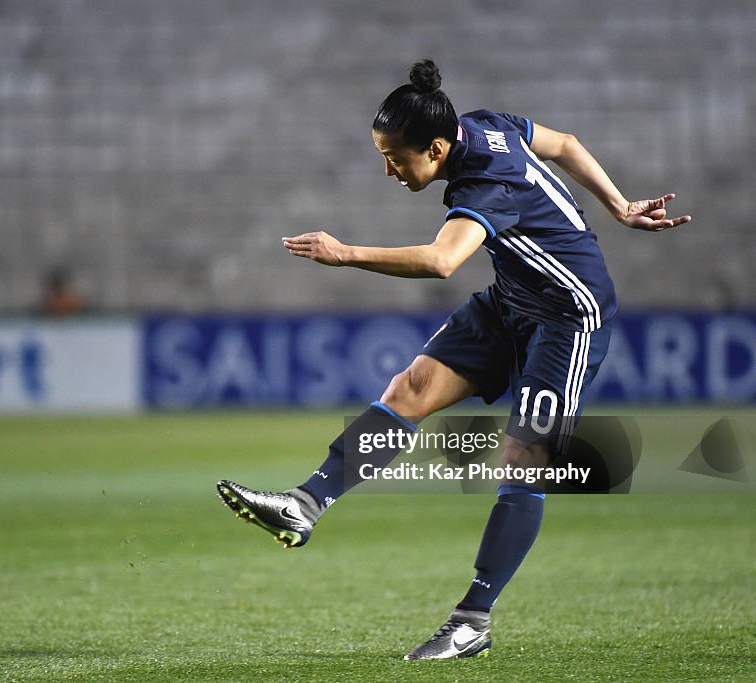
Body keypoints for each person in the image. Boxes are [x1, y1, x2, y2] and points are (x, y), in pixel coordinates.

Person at [216, 59, 690, 660]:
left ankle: (472, 621)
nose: (389, 169)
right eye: (383, 155)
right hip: (512, 300)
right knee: (410, 387)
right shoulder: (486, 124)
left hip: (569, 319)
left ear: (437, 147)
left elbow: (442, 261)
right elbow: (565, 144)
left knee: (525, 465)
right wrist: (619, 206)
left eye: (396, 158)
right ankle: (304, 504)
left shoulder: (486, 184)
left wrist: (343, 253)